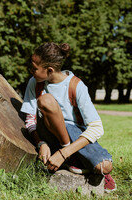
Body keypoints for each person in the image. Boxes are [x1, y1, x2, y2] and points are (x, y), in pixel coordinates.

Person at [20, 42, 116, 193]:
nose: (30, 70)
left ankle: (71, 157)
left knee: (105, 166)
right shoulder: (35, 83)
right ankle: (71, 158)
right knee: (46, 101)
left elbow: (97, 128)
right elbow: (30, 120)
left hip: (74, 133)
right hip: (48, 132)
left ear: (49, 70)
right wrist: (41, 143)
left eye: (34, 68)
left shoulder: (76, 86)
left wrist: (63, 153)